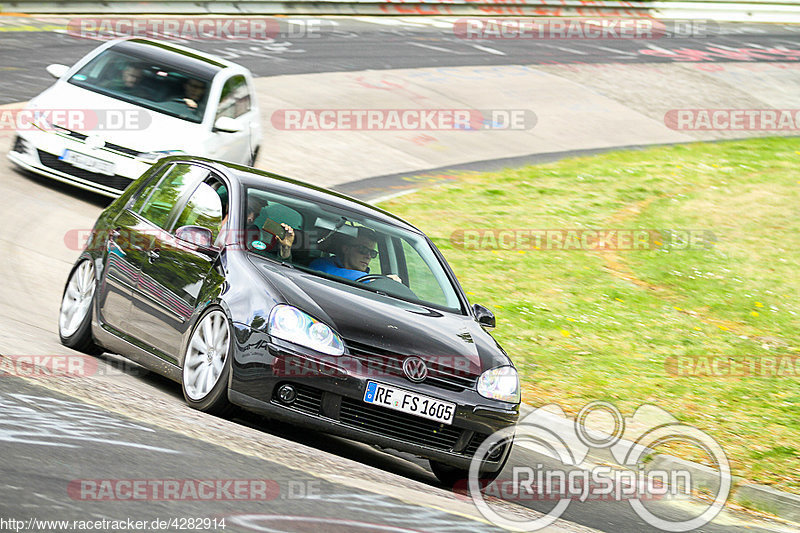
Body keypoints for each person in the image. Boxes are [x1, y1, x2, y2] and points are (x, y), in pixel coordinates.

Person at [309, 227, 379, 281]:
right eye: (363, 249)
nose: (368, 256)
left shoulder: (366, 278)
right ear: (346, 249)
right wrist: (373, 280)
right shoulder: (321, 264)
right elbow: (328, 272)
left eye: (373, 253)